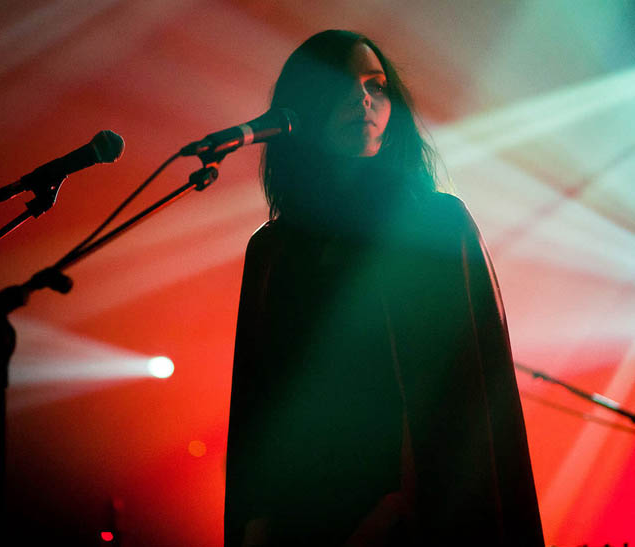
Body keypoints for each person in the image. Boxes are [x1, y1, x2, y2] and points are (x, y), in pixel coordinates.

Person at [224, 30, 544, 546]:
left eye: (377, 85)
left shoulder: (437, 223)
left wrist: (402, 507)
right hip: (302, 520)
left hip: (414, 516)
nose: (365, 99)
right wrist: (257, 520)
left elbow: (468, 393)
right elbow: (261, 400)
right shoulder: (272, 249)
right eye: (344, 86)